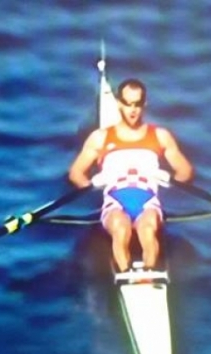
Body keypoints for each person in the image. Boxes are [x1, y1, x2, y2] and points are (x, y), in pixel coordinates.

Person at [68, 78, 194, 274]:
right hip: (115, 202)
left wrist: (169, 180)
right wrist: (93, 184)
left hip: (148, 201)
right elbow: (76, 173)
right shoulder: (100, 138)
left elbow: (185, 171)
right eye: (127, 104)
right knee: (120, 228)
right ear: (119, 103)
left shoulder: (160, 136)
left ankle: (150, 277)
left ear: (145, 104)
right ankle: (124, 276)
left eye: (137, 104)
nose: (132, 110)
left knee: (148, 228)